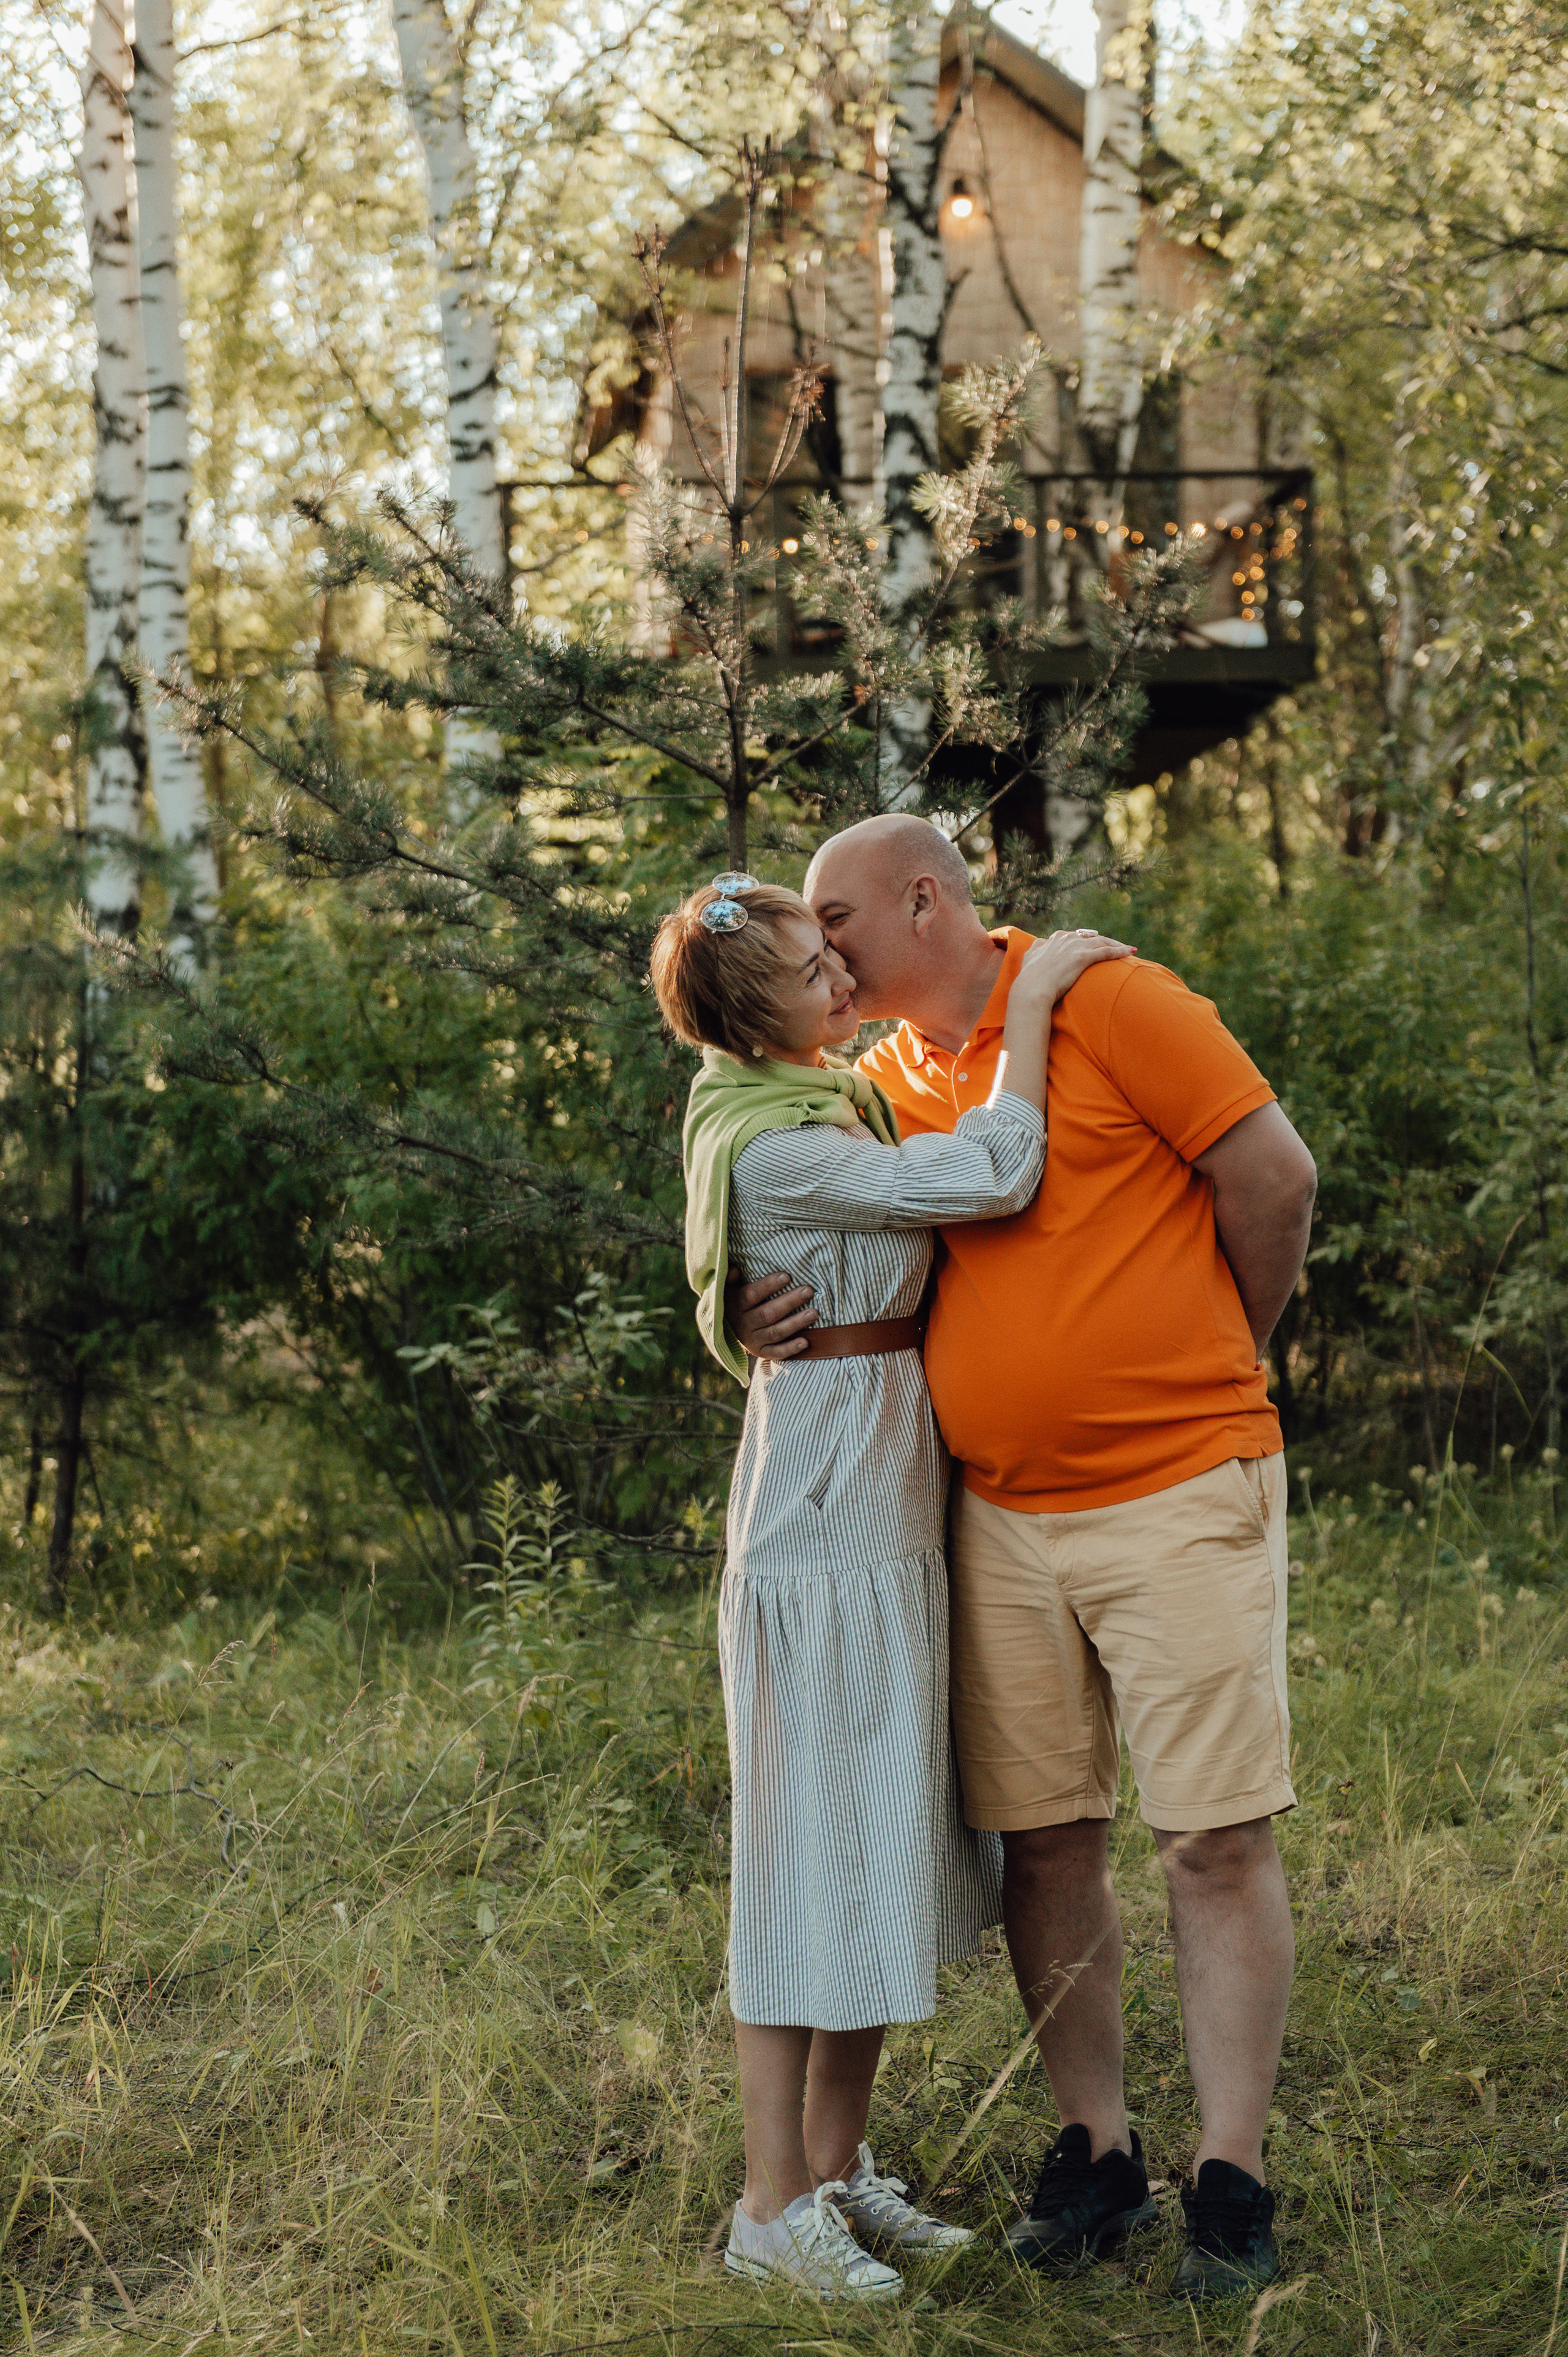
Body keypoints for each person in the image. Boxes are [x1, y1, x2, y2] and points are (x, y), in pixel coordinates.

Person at [728, 814, 1317, 2301]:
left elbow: (1274, 1178)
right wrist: (730, 1307)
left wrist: (1213, 1361)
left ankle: (1229, 2182)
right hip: (986, 1516)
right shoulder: (867, 1083)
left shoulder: (1110, 997)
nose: (825, 953)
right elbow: (790, 1215)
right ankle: (1095, 2148)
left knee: (1209, 1837)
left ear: (920, 899)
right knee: (1041, 1839)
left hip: (1175, 1486)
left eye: (836, 921)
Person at [649, 871, 1133, 2302]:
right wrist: (1036, 1000)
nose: (843, 986)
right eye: (813, 972)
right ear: (752, 1020)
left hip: (889, 1515)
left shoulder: (822, 1102)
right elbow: (990, 1171)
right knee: (802, 1861)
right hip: (818, 1531)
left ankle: (836, 2170)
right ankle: (764, 2206)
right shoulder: (775, 1143)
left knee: (873, 1848)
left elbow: (907, 1111)